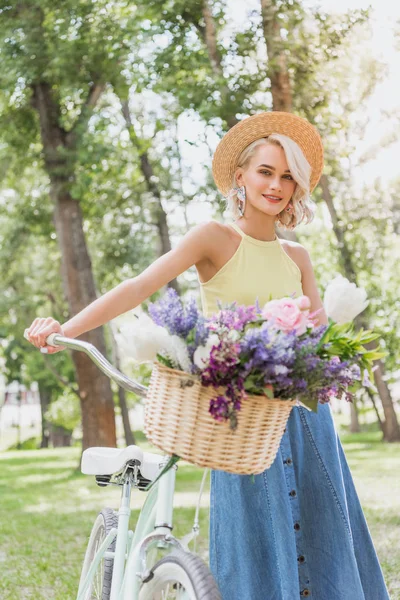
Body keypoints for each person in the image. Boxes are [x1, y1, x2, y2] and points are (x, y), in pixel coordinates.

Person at [26, 111, 390, 599]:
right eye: (265, 171)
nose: (276, 185)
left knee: (324, 534)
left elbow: (316, 342)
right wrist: (64, 328)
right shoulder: (214, 239)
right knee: (253, 541)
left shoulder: (297, 256)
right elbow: (138, 287)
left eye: (287, 176)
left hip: (304, 420)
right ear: (240, 176)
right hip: (241, 421)